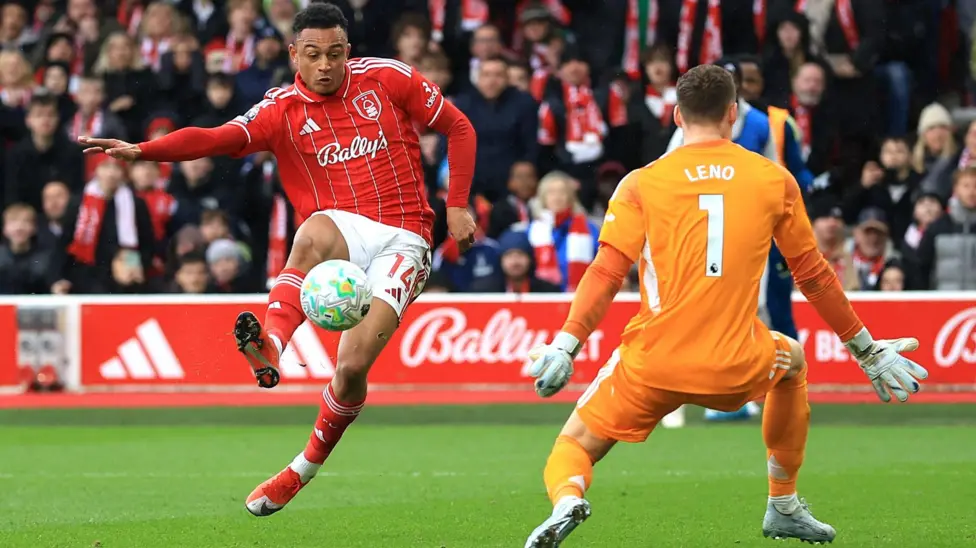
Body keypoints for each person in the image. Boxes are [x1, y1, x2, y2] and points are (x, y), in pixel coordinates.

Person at [77, 2, 477, 517]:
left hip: (406, 235)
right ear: (294, 54)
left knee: (351, 368)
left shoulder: (388, 78)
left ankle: (301, 469)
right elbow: (216, 138)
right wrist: (145, 150)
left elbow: (460, 127)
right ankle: (271, 345)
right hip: (342, 229)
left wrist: (459, 203)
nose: (326, 65)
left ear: (348, 52)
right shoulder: (279, 110)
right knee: (309, 233)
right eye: (313, 55)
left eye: (335, 53)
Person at [522, 65, 928, 548]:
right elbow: (814, 275)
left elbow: (607, 273)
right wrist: (866, 351)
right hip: (738, 364)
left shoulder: (641, 183)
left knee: (572, 447)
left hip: (652, 366)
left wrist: (567, 344)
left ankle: (568, 498)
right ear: (733, 114)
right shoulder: (772, 180)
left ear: (676, 116)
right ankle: (783, 503)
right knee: (792, 360)